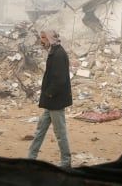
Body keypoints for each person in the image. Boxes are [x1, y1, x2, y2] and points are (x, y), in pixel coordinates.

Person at [28, 30, 73, 168]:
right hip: (50, 102)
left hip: (55, 102)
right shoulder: (54, 51)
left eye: (43, 38)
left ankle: (66, 163)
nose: (41, 41)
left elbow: (60, 80)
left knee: (60, 134)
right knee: (40, 131)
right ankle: (31, 158)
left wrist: (48, 94)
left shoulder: (58, 54)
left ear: (50, 39)